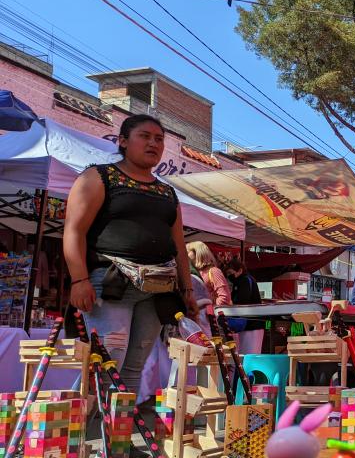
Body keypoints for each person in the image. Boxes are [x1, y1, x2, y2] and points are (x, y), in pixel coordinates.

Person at [63, 114, 197, 399]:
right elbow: (73, 230)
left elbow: (179, 248)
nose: (153, 143)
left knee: (135, 366)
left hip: (160, 290)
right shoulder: (98, 177)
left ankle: (117, 440)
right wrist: (79, 279)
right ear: (123, 140)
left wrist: (187, 289)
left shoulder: (167, 192)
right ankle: (74, 436)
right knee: (105, 362)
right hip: (111, 283)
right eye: (145, 136)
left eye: (159, 139)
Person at [223, 254, 264, 355]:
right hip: (247, 324)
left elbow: (242, 300)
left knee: (249, 355)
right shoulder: (241, 281)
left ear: (240, 270)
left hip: (252, 324)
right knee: (245, 354)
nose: (229, 276)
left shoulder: (245, 280)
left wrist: (230, 302)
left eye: (230, 273)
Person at [187, 242, 232, 313]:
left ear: (198, 253)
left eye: (188, 251)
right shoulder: (196, 272)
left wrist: (209, 311)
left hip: (211, 317)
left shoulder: (214, 271)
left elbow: (225, 298)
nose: (186, 254)